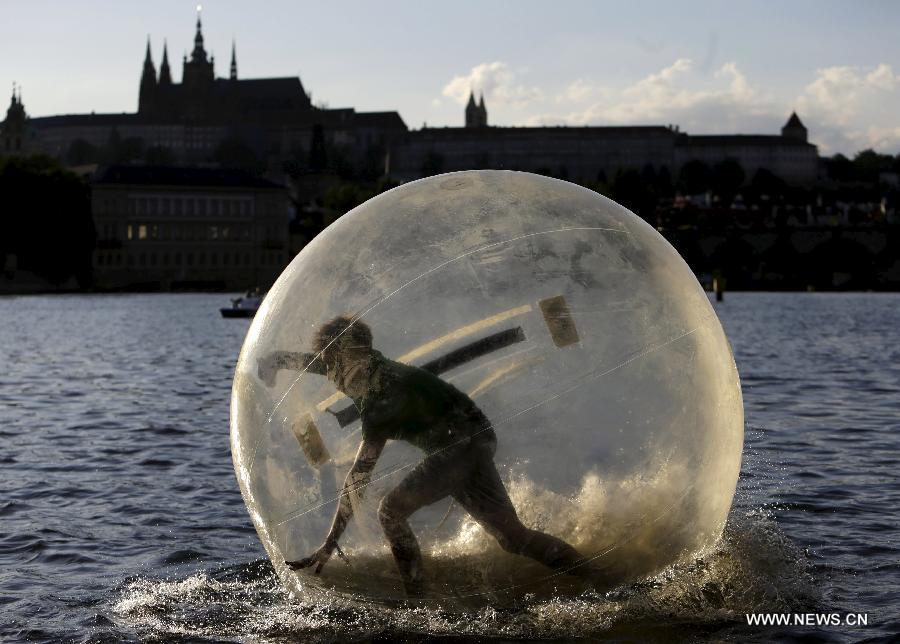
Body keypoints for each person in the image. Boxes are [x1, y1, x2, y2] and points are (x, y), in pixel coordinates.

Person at [258, 315, 595, 596]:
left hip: (459, 446)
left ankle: (418, 601)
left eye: (332, 365)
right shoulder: (363, 368)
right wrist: (273, 361)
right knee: (512, 538)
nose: (330, 377)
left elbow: (359, 475)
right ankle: (600, 577)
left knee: (390, 512)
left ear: (349, 354)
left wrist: (329, 542)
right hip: (474, 438)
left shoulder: (379, 395)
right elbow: (314, 362)